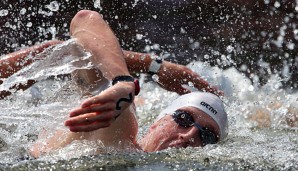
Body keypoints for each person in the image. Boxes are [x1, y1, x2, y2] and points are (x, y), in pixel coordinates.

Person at [0, 10, 228, 158]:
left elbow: (69, 52)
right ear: (157, 122)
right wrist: (124, 81)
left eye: (207, 136)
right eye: (183, 118)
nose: (189, 136)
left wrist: (154, 67)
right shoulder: (121, 133)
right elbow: (85, 21)